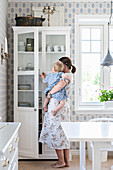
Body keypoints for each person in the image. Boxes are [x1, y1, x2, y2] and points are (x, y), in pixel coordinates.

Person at [39, 57, 76, 168]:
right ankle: (66, 161)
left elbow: (56, 87)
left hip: (57, 105)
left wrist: (49, 94)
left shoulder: (65, 76)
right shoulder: (67, 75)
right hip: (63, 106)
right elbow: (55, 85)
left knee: (56, 133)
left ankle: (61, 161)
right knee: (64, 134)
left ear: (64, 65)